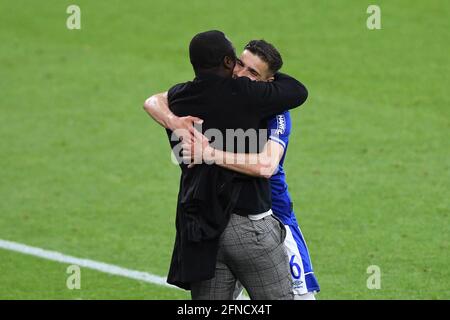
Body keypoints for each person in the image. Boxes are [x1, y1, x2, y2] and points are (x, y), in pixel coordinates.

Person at [148, 40, 320, 300]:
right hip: (224, 222)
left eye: (252, 72)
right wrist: (175, 123)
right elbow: (155, 100)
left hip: (273, 214)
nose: (240, 74)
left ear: (269, 82)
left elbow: (267, 165)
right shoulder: (218, 93)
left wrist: (208, 154)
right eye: (240, 64)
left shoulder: (275, 110)